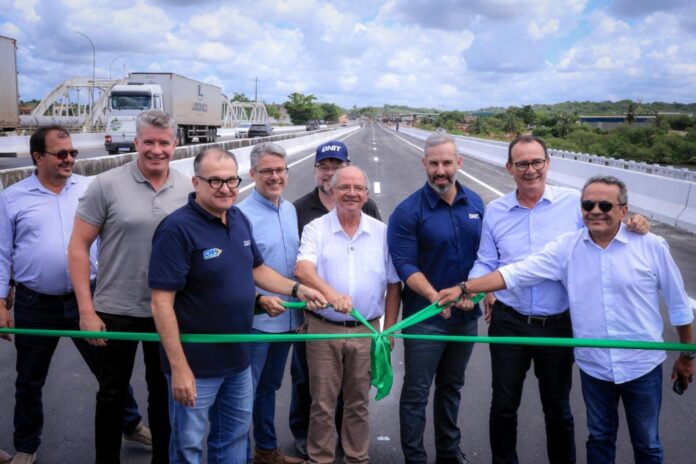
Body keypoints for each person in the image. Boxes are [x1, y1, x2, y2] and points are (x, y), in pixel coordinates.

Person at [448, 175, 694, 464]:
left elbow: (679, 305)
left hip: (641, 366)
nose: (596, 211)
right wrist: (465, 288)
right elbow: (516, 273)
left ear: (624, 210)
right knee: (599, 439)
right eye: (588, 205)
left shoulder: (651, 246)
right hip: (595, 367)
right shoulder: (566, 248)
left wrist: (687, 355)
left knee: (647, 444)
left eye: (605, 205)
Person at [468, 135, 648, 464]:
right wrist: (475, 289)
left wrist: (634, 220)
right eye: (522, 163)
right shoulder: (496, 211)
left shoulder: (572, 205)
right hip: (509, 322)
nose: (531, 170)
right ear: (509, 168)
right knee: (503, 407)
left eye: (537, 162)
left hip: (558, 325)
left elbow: (604, 225)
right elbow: (486, 261)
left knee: (558, 409)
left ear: (548, 163)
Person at [149, 147, 325, 464]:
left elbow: (256, 269)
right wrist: (179, 368)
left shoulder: (237, 218)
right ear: (196, 182)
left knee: (232, 438)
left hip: (238, 358)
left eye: (231, 180)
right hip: (196, 364)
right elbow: (161, 302)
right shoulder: (176, 229)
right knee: (188, 447)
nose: (226, 188)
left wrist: (298, 290)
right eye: (215, 181)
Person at [0, 126, 150, 464]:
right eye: (61, 154)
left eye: (73, 153)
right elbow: (2, 253)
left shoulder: (89, 189)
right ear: (38, 157)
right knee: (29, 379)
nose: (69, 159)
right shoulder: (12, 198)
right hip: (35, 303)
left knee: (109, 371)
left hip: (89, 300)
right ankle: (26, 445)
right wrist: (0, 302)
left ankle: (130, 424)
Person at [68, 110, 191, 463]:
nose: (156, 150)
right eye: (148, 142)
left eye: (164, 142)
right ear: (136, 142)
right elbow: (78, 247)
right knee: (112, 394)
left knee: (163, 394)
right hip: (114, 310)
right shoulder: (106, 184)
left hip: (167, 311)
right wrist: (86, 310)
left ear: (175, 144)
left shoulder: (187, 187)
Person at [387, 132, 484, 464]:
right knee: (416, 393)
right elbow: (404, 264)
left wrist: (475, 292)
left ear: (459, 163)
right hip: (425, 320)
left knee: (451, 389)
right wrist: (434, 297)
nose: (440, 171)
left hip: (466, 318)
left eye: (446, 163)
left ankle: (449, 453)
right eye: (433, 163)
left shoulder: (476, 204)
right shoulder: (407, 211)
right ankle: (415, 458)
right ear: (424, 164)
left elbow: (486, 258)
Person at [295, 165, 401, 464]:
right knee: (322, 403)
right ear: (333, 190)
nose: (351, 193)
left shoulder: (382, 233)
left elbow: (394, 284)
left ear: (366, 194)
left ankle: (357, 457)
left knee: (358, 402)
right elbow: (303, 269)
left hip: (367, 330)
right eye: (344, 187)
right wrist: (332, 296)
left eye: (358, 188)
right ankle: (320, 458)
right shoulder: (316, 228)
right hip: (323, 328)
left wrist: (389, 329)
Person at [237, 143, 304, 464]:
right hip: (257, 321)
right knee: (243, 393)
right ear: (253, 174)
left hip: (288, 320)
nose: (275, 176)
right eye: (267, 171)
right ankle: (238, 456)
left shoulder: (289, 209)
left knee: (269, 387)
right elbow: (240, 270)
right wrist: (259, 300)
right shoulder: (240, 215)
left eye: (280, 170)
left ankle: (265, 449)